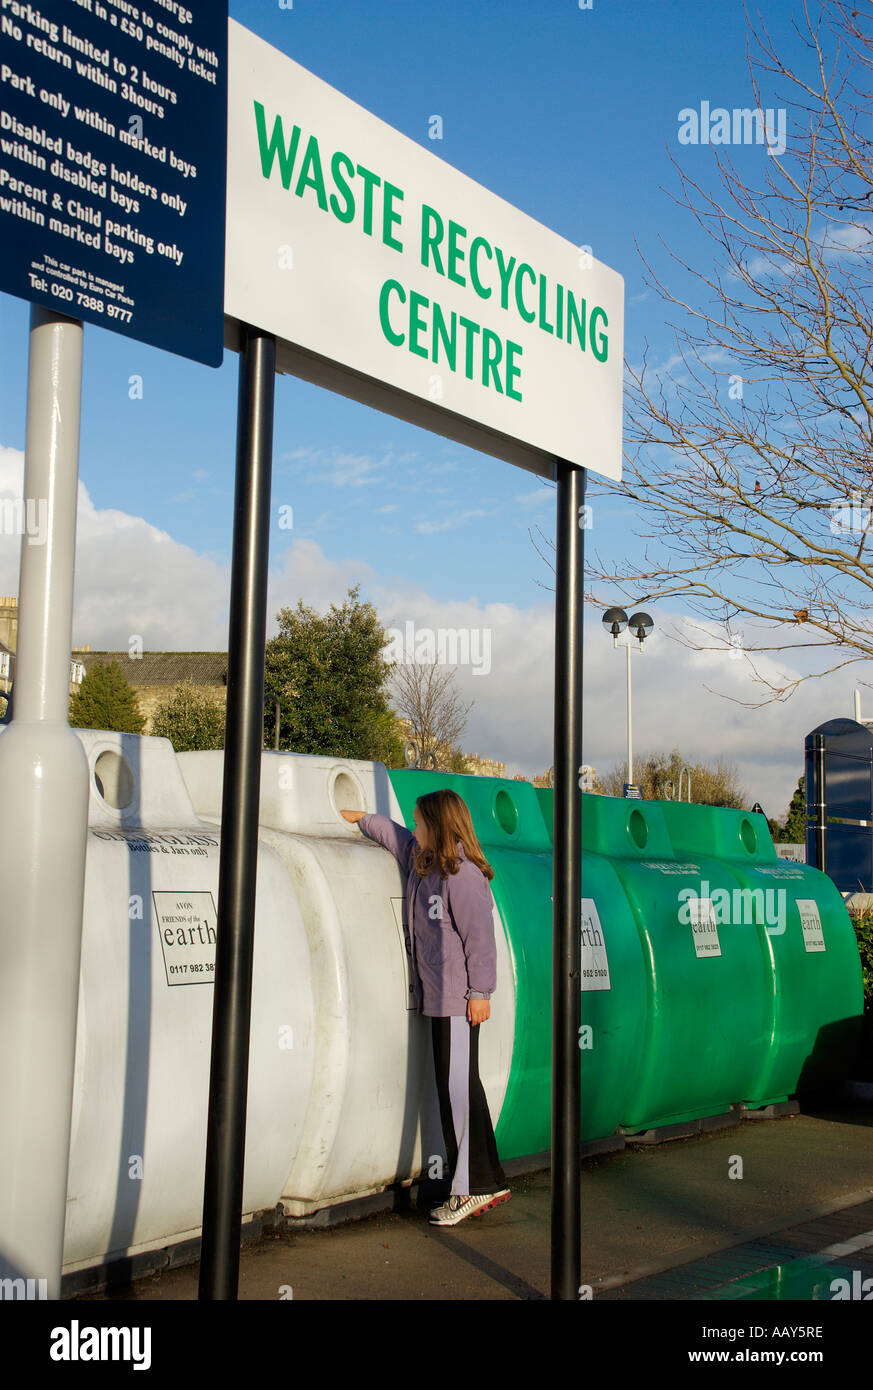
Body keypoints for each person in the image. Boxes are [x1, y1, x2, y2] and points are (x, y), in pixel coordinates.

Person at [341, 789, 510, 1227]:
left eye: (420, 822)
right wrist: (363, 819)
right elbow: (395, 837)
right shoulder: (424, 860)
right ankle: (487, 1180)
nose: (414, 829)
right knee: (459, 1089)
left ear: (439, 825)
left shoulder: (462, 874)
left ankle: (467, 1189)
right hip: (437, 999)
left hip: (457, 1001)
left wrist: (481, 994)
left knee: (457, 1094)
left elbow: (480, 939)